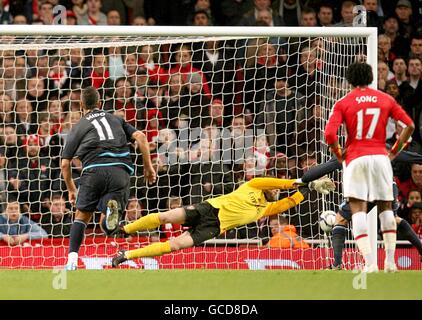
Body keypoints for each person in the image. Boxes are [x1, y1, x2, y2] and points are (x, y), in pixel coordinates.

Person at [111, 176, 336, 267]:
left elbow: (289, 202)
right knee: (166, 217)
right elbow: (283, 183)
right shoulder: (255, 184)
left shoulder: (266, 209)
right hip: (209, 208)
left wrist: (311, 189)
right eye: (275, 189)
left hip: (214, 228)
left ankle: (125, 255)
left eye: (278, 190)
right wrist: (300, 182)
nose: (277, 191)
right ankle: (126, 229)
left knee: (176, 245)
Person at [324, 62, 415, 273]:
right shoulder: (386, 99)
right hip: (380, 157)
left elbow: (329, 134)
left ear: (349, 80)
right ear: (371, 77)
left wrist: (339, 154)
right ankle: (390, 262)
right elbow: (409, 125)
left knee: (357, 209)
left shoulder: (343, 102)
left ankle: (370, 263)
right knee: (386, 207)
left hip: (356, 158)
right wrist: (394, 150)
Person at [61, 86, 156, 270]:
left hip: (94, 171)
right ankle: (109, 215)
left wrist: (72, 190)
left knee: (81, 217)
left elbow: (65, 164)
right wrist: (148, 167)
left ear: (81, 104)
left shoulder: (79, 125)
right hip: (120, 172)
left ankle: (72, 261)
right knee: (107, 226)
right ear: (100, 103)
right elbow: (141, 137)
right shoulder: (116, 118)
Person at [300, 147, 422, 268]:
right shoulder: (378, 144)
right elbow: (404, 156)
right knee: (393, 219)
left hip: (366, 188)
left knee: (340, 219)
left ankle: (337, 264)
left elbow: (325, 168)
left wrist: (305, 180)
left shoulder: (350, 150)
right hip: (386, 185)